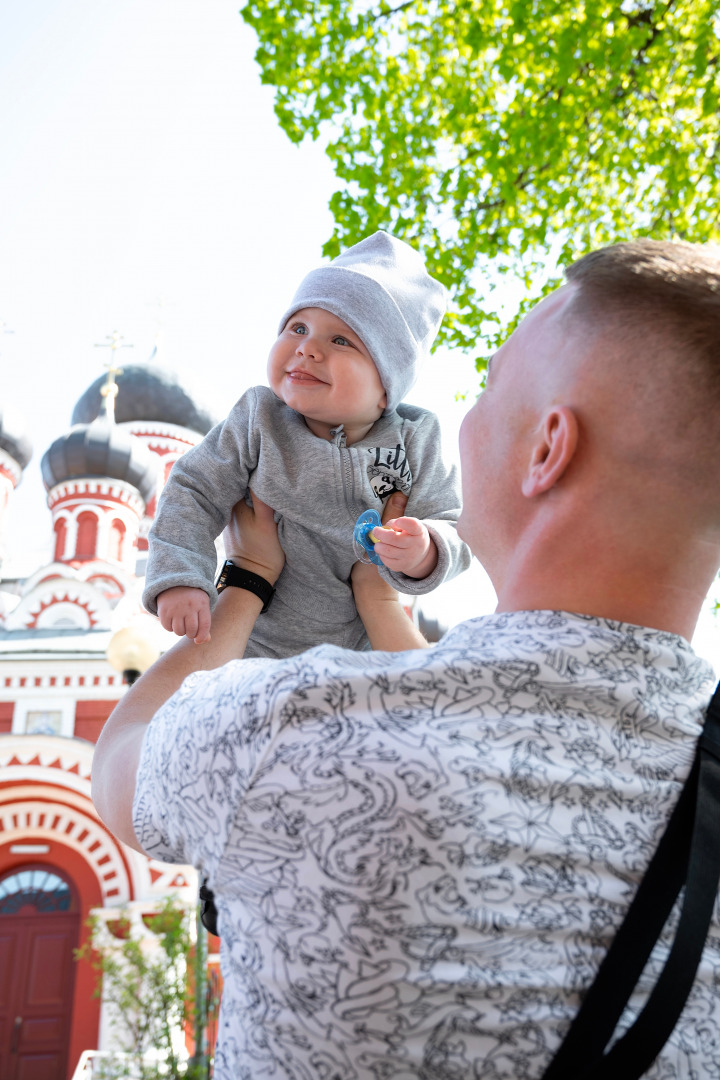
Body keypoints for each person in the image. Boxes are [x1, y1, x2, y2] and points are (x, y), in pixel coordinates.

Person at [93, 238, 720, 1079]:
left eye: (492, 386)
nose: (461, 416)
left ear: (548, 450)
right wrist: (381, 600)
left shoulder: (296, 726)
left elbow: (119, 768)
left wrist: (243, 581)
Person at [142, 231, 471, 656]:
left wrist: (425, 547)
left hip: (361, 650)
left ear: (386, 388)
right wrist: (181, 575)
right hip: (249, 642)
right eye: (298, 328)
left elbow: (454, 523)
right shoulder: (258, 419)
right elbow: (193, 489)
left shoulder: (416, 437)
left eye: (340, 340)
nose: (307, 348)